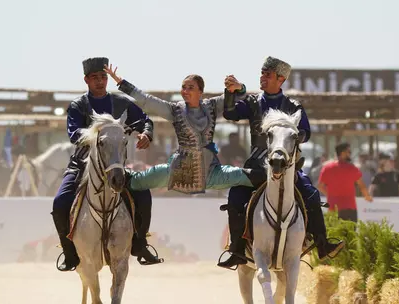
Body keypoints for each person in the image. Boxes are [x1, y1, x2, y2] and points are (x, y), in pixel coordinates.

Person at [218, 56, 345, 268]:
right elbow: (229, 113)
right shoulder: (252, 102)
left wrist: (291, 137)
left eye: (267, 75)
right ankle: (238, 249)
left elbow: (306, 132)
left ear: (281, 79)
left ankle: (322, 245)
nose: (262, 78)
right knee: (235, 196)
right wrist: (232, 92)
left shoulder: (293, 106)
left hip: (287, 165)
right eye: (262, 74)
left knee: (312, 195)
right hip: (257, 165)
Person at [51, 57, 162, 272]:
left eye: (103, 77)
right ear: (86, 80)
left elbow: (145, 120)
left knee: (144, 195)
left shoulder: (122, 103)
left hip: (116, 166)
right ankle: (69, 253)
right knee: (59, 204)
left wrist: (146, 133)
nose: (100, 81)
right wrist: (99, 135)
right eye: (95, 78)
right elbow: (74, 135)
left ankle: (140, 245)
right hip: (82, 165)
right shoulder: (78, 105)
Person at [103, 64, 265, 194]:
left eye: (190, 87)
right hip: (176, 173)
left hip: (211, 174)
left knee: (258, 176)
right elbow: (146, 101)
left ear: (200, 92)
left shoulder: (212, 106)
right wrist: (120, 82)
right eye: (183, 87)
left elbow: (237, 95)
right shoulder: (175, 110)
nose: (185, 91)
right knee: (132, 182)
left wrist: (239, 86)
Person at [318, 142, 373, 222]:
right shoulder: (352, 168)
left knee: (334, 233)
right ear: (343, 153)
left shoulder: (327, 168)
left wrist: (330, 195)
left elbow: (320, 186)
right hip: (349, 208)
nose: (350, 154)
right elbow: (361, 185)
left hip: (333, 209)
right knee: (350, 233)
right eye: (349, 152)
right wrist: (367, 196)